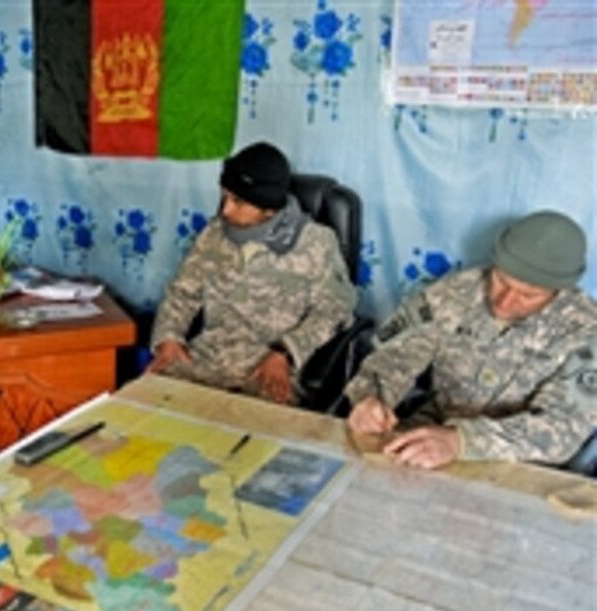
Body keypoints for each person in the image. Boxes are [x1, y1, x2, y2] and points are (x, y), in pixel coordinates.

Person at [346, 210, 597, 469]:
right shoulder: (455, 291)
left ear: (559, 291)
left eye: (528, 295)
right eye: (501, 280)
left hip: (518, 461)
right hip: (431, 429)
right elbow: (395, 356)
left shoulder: (588, 332)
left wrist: (462, 442)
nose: (505, 302)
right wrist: (372, 398)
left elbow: (561, 428)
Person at [147, 142, 357, 405]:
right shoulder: (214, 234)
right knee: (146, 406)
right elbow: (182, 292)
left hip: (269, 370)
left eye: (238, 201)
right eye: (224, 197)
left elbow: (335, 310)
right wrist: (168, 338)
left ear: (268, 206)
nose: (225, 210)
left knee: (252, 438)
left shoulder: (316, 243)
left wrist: (286, 352)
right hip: (207, 359)